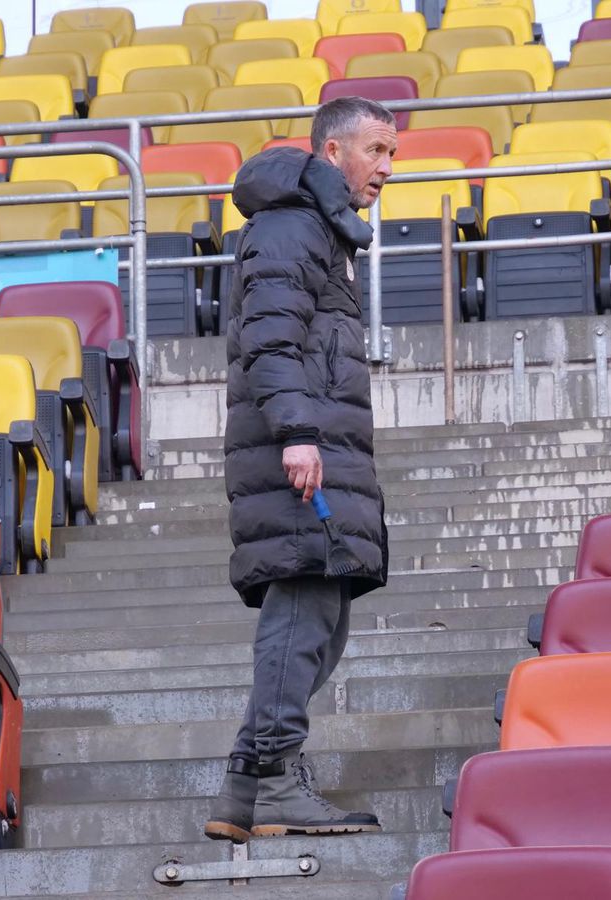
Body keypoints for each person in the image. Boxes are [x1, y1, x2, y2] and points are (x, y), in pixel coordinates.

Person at [203, 96, 396, 842]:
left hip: (319, 449)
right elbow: (270, 339)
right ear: (332, 151)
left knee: (323, 617)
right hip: (300, 454)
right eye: (375, 151)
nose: (385, 169)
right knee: (303, 615)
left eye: (391, 156)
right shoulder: (291, 224)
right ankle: (276, 779)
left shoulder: (316, 227)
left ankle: (244, 792)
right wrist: (297, 433)